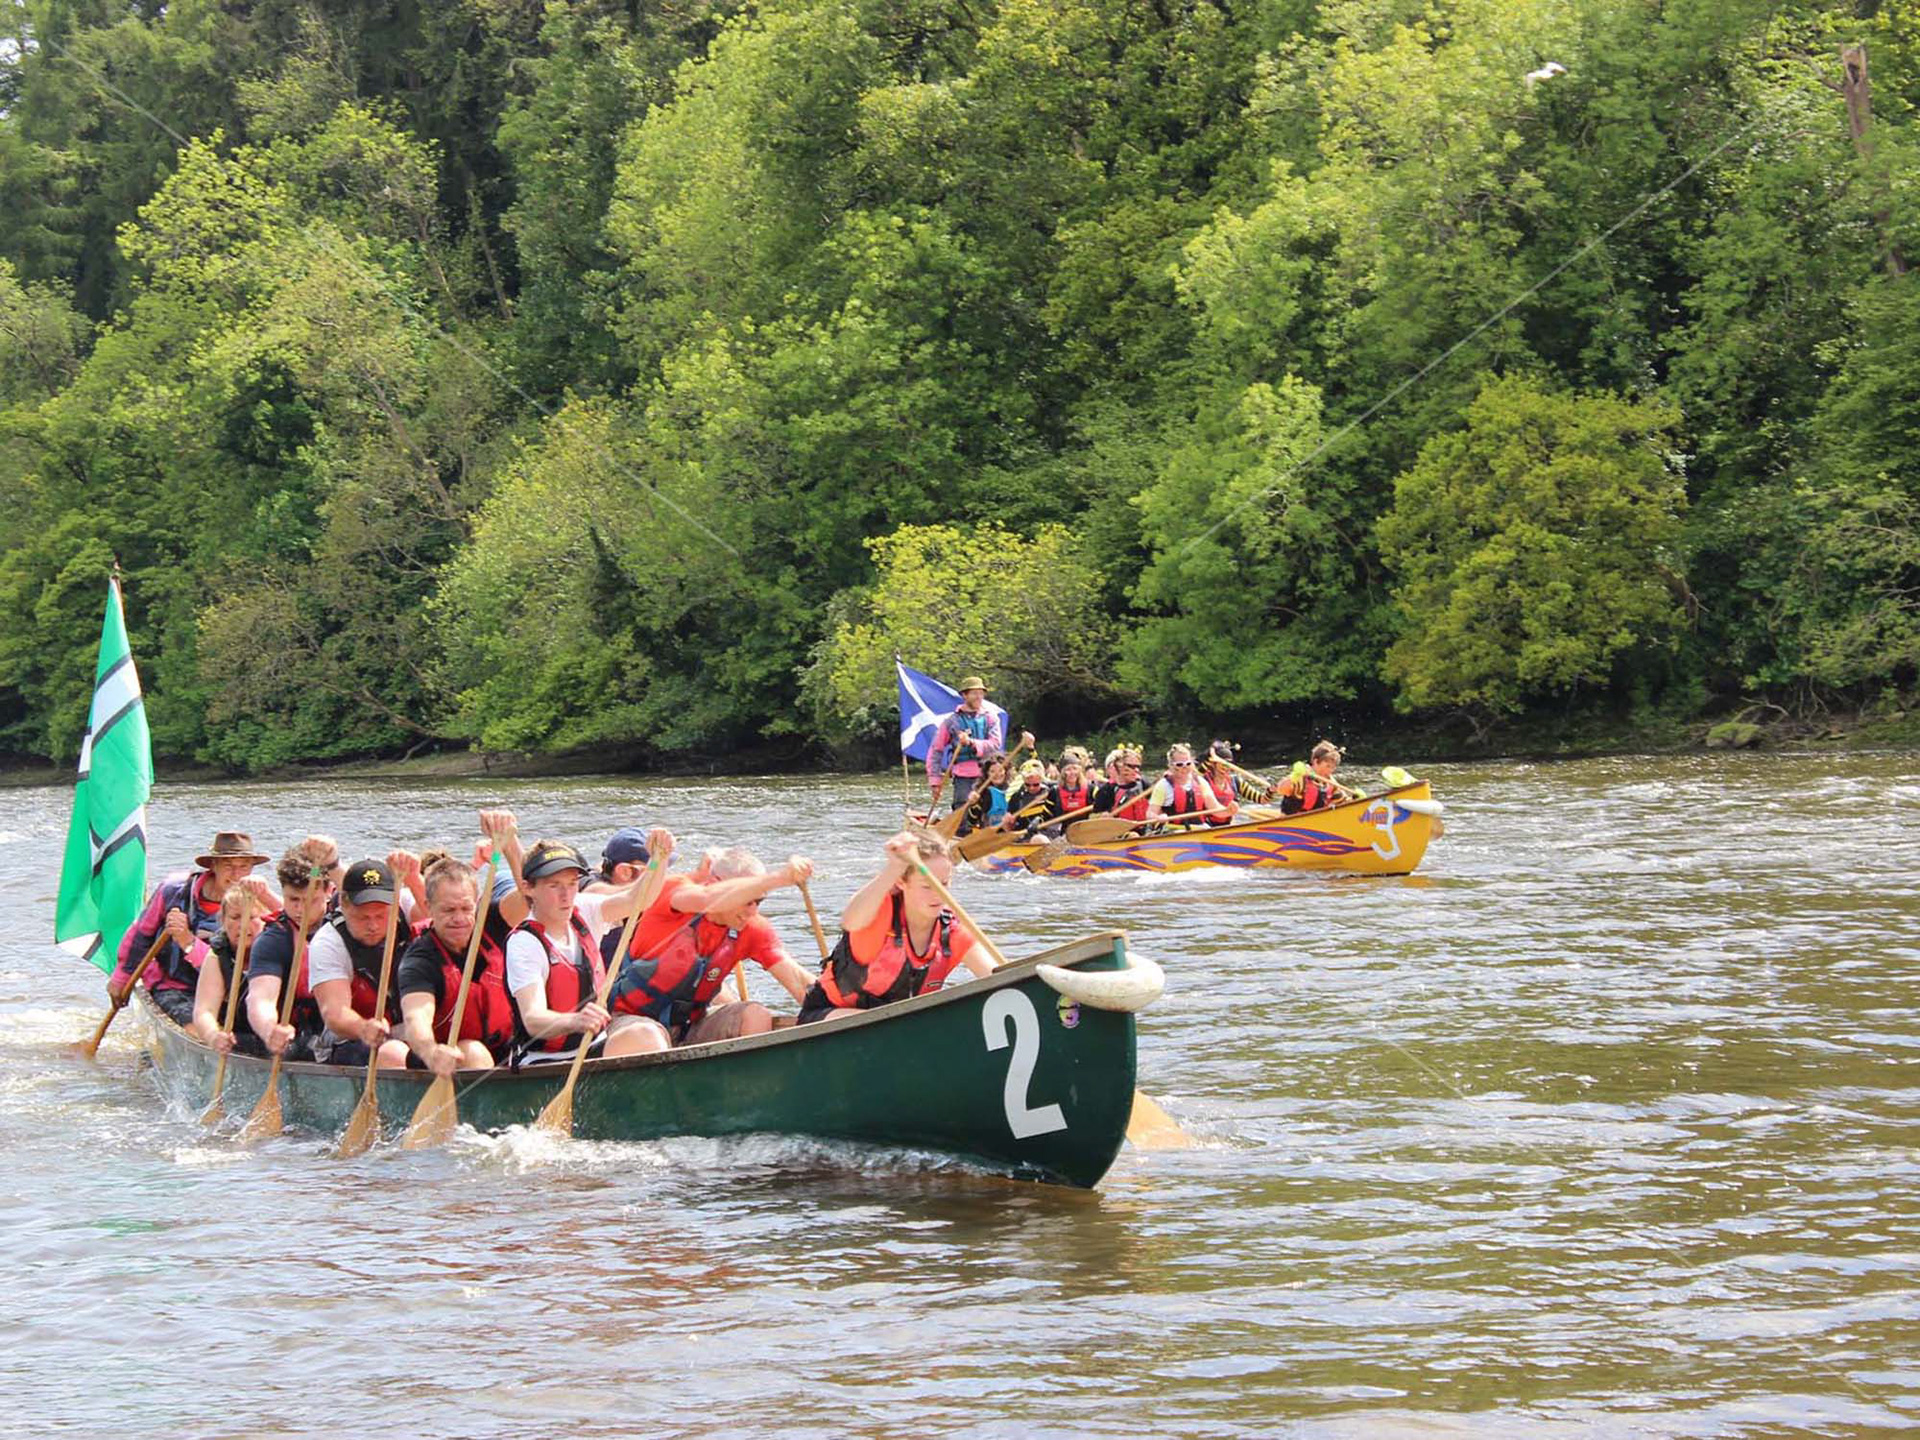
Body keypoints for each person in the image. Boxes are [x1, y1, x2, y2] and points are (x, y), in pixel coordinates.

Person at [605, 846, 818, 1053]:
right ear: (715, 883)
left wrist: (831, 1008)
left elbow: (798, 980)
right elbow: (709, 900)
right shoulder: (673, 892)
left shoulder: (751, 928)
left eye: (758, 901)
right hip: (630, 1023)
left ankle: (746, 1084)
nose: (751, 912)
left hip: (691, 1026)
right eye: (746, 899)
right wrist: (781, 878)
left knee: (755, 1015)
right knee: (646, 1034)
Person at [504, 834, 675, 1066]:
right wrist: (575, 1020)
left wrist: (659, 858)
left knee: (646, 1034)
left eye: (572, 884)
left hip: (593, 1045)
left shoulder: (582, 910)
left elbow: (638, 900)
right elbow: (533, 1018)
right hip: (544, 1059)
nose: (566, 896)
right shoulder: (525, 943)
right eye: (554, 886)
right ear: (528, 888)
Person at [796, 831, 995, 1024]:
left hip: (899, 1027)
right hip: (830, 1017)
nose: (938, 894)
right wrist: (893, 868)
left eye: (944, 883)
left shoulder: (952, 932)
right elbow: (850, 921)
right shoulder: (882, 915)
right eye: (927, 886)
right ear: (901, 882)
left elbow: (995, 977)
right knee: (886, 1026)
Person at [110, 831, 274, 1027]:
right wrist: (121, 978)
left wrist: (188, 941)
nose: (236, 875)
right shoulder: (175, 890)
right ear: (214, 866)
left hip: (229, 991)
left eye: (244, 867)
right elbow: (141, 935)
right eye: (229, 866)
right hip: (175, 985)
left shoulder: (258, 900)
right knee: (195, 1029)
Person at [396, 855, 516, 1074]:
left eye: (465, 908)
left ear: (476, 903)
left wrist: (510, 846)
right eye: (449, 910)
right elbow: (416, 1018)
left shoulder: (493, 924)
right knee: (474, 1052)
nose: (459, 918)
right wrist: (431, 1051)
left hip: (506, 1048)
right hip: (450, 1059)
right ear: (428, 908)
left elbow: (532, 897)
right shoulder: (420, 960)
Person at [307, 857, 414, 1068]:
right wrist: (364, 1028)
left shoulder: (405, 907)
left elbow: (439, 910)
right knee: (394, 1053)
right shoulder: (328, 942)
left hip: (407, 1030)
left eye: (381, 915)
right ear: (344, 906)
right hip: (349, 1040)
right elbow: (335, 1014)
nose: (373, 925)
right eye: (363, 917)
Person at [245, 842, 335, 1060]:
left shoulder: (347, 928)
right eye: (293, 900)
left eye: (310, 900)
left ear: (329, 892)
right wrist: (269, 1030)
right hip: (293, 1033)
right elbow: (260, 998)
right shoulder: (273, 939)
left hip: (339, 1028)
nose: (300, 909)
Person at [185, 882, 276, 1051]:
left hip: (276, 1034)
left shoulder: (278, 947)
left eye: (251, 917)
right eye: (235, 917)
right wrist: (213, 1036)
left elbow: (299, 920)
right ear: (223, 921)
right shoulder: (217, 956)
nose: (242, 925)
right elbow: (204, 1011)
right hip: (235, 1036)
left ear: (265, 919)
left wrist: (267, 894)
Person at [924, 676, 1003, 820]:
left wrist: (972, 742)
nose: (979, 697)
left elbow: (995, 744)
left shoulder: (990, 718)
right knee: (963, 812)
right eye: (974, 693)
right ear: (964, 695)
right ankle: (961, 835)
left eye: (981, 693)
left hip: (988, 774)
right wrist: (935, 781)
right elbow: (936, 751)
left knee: (992, 809)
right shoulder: (951, 721)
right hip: (963, 776)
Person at [1144, 743, 1229, 827]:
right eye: (1179, 764)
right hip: (1174, 830)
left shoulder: (1201, 782)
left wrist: (1229, 811)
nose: (1184, 767)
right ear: (1171, 766)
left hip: (1199, 829)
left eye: (1188, 764)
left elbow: (1215, 809)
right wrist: (1157, 817)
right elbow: (1150, 813)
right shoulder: (1163, 785)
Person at [1275, 740, 1353, 814]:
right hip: (1291, 822)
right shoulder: (1302, 778)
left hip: (1316, 822)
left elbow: (1342, 801)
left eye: (1333, 767)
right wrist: (1294, 776)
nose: (1330, 770)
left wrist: (1356, 798)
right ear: (1316, 762)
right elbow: (1280, 789)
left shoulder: (1330, 782)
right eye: (1327, 766)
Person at [998, 759, 1057, 834]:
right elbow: (1010, 822)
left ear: (1041, 780)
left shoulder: (1051, 794)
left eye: (1035, 785)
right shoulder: (1017, 797)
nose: (1031, 788)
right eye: (1027, 785)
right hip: (1023, 833)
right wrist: (1008, 822)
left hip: (1046, 833)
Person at [1093, 746, 1151, 822]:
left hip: (1144, 828)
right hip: (1117, 830)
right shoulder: (1106, 790)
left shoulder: (1144, 784)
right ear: (1118, 767)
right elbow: (1093, 817)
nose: (1136, 770)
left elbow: (1156, 808)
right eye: (1131, 766)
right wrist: (1102, 816)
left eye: (1138, 766)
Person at [1200, 739, 1242, 824]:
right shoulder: (1203, 781)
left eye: (1229, 764)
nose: (1226, 767)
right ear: (1214, 764)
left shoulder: (1234, 781)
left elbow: (1262, 799)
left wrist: (1271, 791)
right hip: (1207, 825)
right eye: (1222, 763)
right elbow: (1197, 771)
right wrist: (1212, 752)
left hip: (1227, 824)